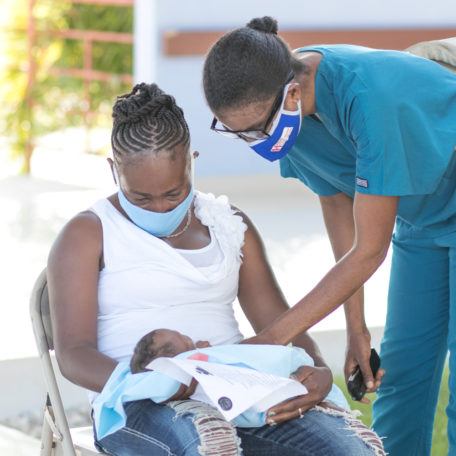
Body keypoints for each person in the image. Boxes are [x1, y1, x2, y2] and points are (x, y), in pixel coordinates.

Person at [48, 82, 383, 455]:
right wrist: (156, 381)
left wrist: (316, 369)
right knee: (208, 447)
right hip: (138, 399)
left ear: (192, 162)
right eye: (140, 197)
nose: (159, 207)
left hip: (240, 393)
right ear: (114, 170)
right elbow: (73, 352)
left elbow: (278, 324)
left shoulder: (228, 224)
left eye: (174, 193)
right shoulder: (88, 233)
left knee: (350, 450)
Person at [202, 16, 456, 455]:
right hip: (422, 222)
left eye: (256, 128)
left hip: (440, 201)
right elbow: (339, 207)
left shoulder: (370, 98)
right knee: (399, 381)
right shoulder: (289, 117)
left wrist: (269, 341)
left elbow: (369, 250)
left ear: (293, 94)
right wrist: (355, 329)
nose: (254, 141)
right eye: (237, 132)